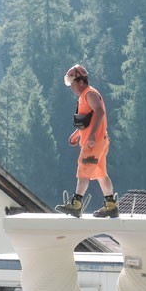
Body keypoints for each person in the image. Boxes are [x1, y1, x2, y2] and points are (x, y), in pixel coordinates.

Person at [56, 63, 117, 217]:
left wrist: (90, 136)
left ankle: (76, 204)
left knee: (83, 170)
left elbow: (100, 112)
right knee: (101, 173)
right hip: (100, 141)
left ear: (81, 81)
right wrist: (77, 134)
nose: (71, 87)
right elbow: (88, 119)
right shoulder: (85, 96)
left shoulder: (89, 94)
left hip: (93, 142)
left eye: (73, 83)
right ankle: (111, 205)